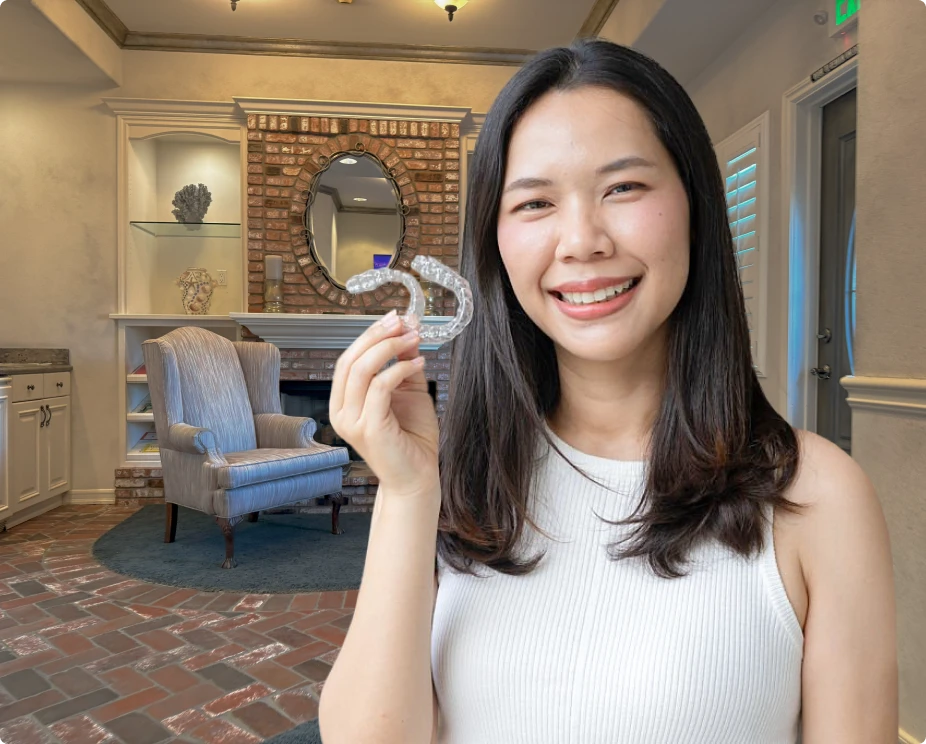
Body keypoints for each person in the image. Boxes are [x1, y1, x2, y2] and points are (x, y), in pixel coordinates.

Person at [318, 39, 897, 744]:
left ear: (695, 205)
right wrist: (407, 493)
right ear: (494, 242)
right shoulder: (458, 483)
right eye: (534, 202)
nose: (581, 240)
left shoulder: (819, 497)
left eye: (623, 187)